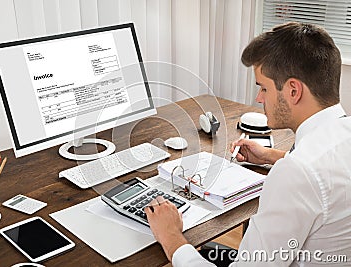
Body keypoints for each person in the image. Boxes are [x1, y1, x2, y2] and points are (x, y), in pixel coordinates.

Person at [145, 22, 351, 266]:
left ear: (293, 91)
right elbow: (327, 176)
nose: (259, 98)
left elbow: (306, 176)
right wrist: (271, 156)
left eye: (264, 88)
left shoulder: (297, 173)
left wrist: (171, 238)